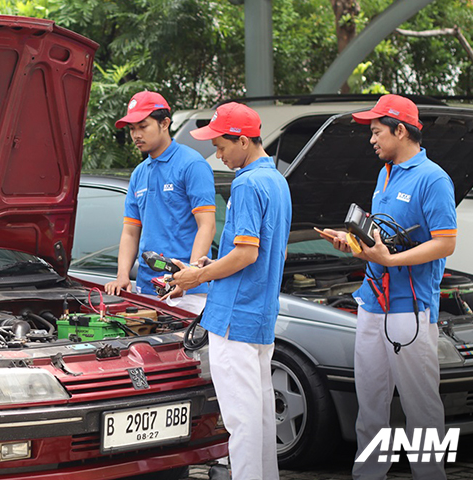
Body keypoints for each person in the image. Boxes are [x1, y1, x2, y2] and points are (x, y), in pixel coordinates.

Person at [316, 94, 455, 479]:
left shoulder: (434, 179)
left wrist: (391, 261)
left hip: (409, 308)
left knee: (421, 406)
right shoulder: (386, 173)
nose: (371, 140)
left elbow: (446, 242)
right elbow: (382, 239)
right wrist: (353, 245)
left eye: (377, 132)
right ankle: (369, 474)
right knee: (371, 403)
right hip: (372, 303)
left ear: (400, 130)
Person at [171, 102, 291, 480]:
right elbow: (268, 251)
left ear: (243, 140)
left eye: (221, 146)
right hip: (258, 315)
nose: (217, 155)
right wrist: (211, 267)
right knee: (258, 417)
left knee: (241, 424)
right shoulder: (277, 180)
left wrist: (197, 277)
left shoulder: (246, 183)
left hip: (234, 319)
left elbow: (246, 252)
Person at [103, 91, 216, 314]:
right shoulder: (138, 174)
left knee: (188, 349)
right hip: (147, 288)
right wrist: (122, 276)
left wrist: (190, 275)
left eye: (142, 126)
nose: (136, 134)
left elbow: (207, 225)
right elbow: (130, 232)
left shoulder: (192, 164)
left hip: (188, 291)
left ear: (164, 123)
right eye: (132, 128)